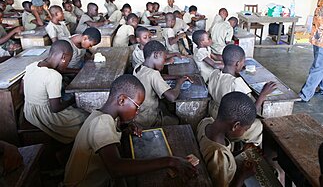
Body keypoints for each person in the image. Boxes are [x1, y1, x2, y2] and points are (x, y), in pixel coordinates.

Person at [63, 74, 197, 186]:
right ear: (121, 100)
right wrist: (169, 161)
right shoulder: (102, 122)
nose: (137, 112)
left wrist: (125, 129)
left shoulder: (102, 116)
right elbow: (116, 168)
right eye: (137, 106)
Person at [208, 45, 276, 146]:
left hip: (214, 114)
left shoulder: (214, 74)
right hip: (229, 125)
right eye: (243, 62)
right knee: (261, 125)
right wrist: (263, 95)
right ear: (238, 63)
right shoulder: (236, 83)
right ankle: (251, 150)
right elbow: (250, 113)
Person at [22, 40, 88, 144]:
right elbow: (55, 108)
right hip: (46, 116)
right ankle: (71, 147)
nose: (67, 65)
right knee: (85, 117)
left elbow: (23, 89)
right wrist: (74, 99)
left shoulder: (32, 66)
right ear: (63, 57)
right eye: (68, 61)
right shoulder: (53, 76)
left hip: (29, 112)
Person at [197, 92, 257, 187]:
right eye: (246, 129)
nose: (245, 132)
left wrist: (242, 153)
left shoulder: (206, 122)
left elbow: (223, 157)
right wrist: (242, 176)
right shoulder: (218, 154)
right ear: (235, 126)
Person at [133, 40, 192, 128]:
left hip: (137, 116)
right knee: (177, 120)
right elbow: (172, 97)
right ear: (156, 55)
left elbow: (158, 77)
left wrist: (177, 77)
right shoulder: (153, 74)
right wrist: (179, 83)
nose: (164, 63)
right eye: (164, 60)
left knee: (164, 107)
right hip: (148, 119)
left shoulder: (139, 66)